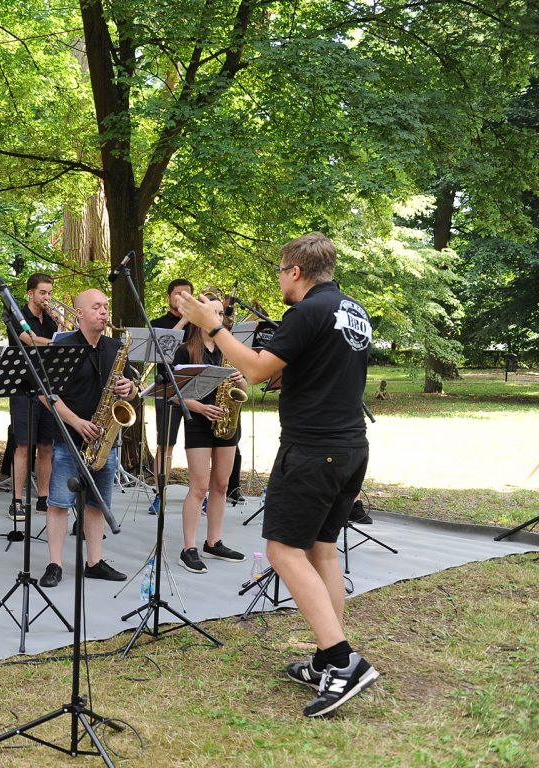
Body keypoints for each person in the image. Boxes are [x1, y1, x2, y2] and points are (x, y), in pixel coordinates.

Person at [176, 232, 378, 717]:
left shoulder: (305, 311)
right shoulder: (353, 309)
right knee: (321, 551)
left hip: (312, 449)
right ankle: (325, 658)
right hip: (349, 447)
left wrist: (214, 327)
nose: (279, 281)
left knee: (283, 551)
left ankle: (342, 660)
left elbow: (259, 368)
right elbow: (319, 370)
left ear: (295, 271)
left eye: (280, 273)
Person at [37, 289, 137, 588]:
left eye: (106, 306)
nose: (104, 312)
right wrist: (77, 422)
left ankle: (94, 562)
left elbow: (131, 387)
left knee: (97, 503)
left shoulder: (115, 347)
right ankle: (54, 563)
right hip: (70, 437)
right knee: (58, 503)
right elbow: (46, 394)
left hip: (105, 439)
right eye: (96, 307)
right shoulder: (64, 346)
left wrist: (129, 389)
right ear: (79, 313)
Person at [169, 294, 247, 574]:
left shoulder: (231, 350)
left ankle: (213, 542)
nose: (216, 317)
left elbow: (244, 391)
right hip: (199, 421)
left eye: (220, 313)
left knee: (221, 486)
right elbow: (174, 395)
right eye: (210, 312)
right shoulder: (186, 351)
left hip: (227, 420)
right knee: (199, 487)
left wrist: (241, 380)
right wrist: (200, 408)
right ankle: (188, 548)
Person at [7, 273, 59, 522]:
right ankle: (17, 500)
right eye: (42, 293)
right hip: (23, 387)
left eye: (49, 293)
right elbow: (28, 341)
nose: (47, 298)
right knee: (24, 446)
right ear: (30, 293)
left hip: (47, 387)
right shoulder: (17, 316)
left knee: (46, 446)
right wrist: (54, 342)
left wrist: (60, 325)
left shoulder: (51, 320)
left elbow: (70, 340)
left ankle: (43, 497)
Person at [148, 279, 194, 515]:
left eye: (187, 294)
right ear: (169, 297)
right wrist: (185, 319)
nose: (183, 297)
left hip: (196, 391)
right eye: (178, 294)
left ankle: (199, 494)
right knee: (165, 444)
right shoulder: (158, 324)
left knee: (198, 446)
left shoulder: (200, 323)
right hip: (167, 390)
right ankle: (160, 494)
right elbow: (162, 351)